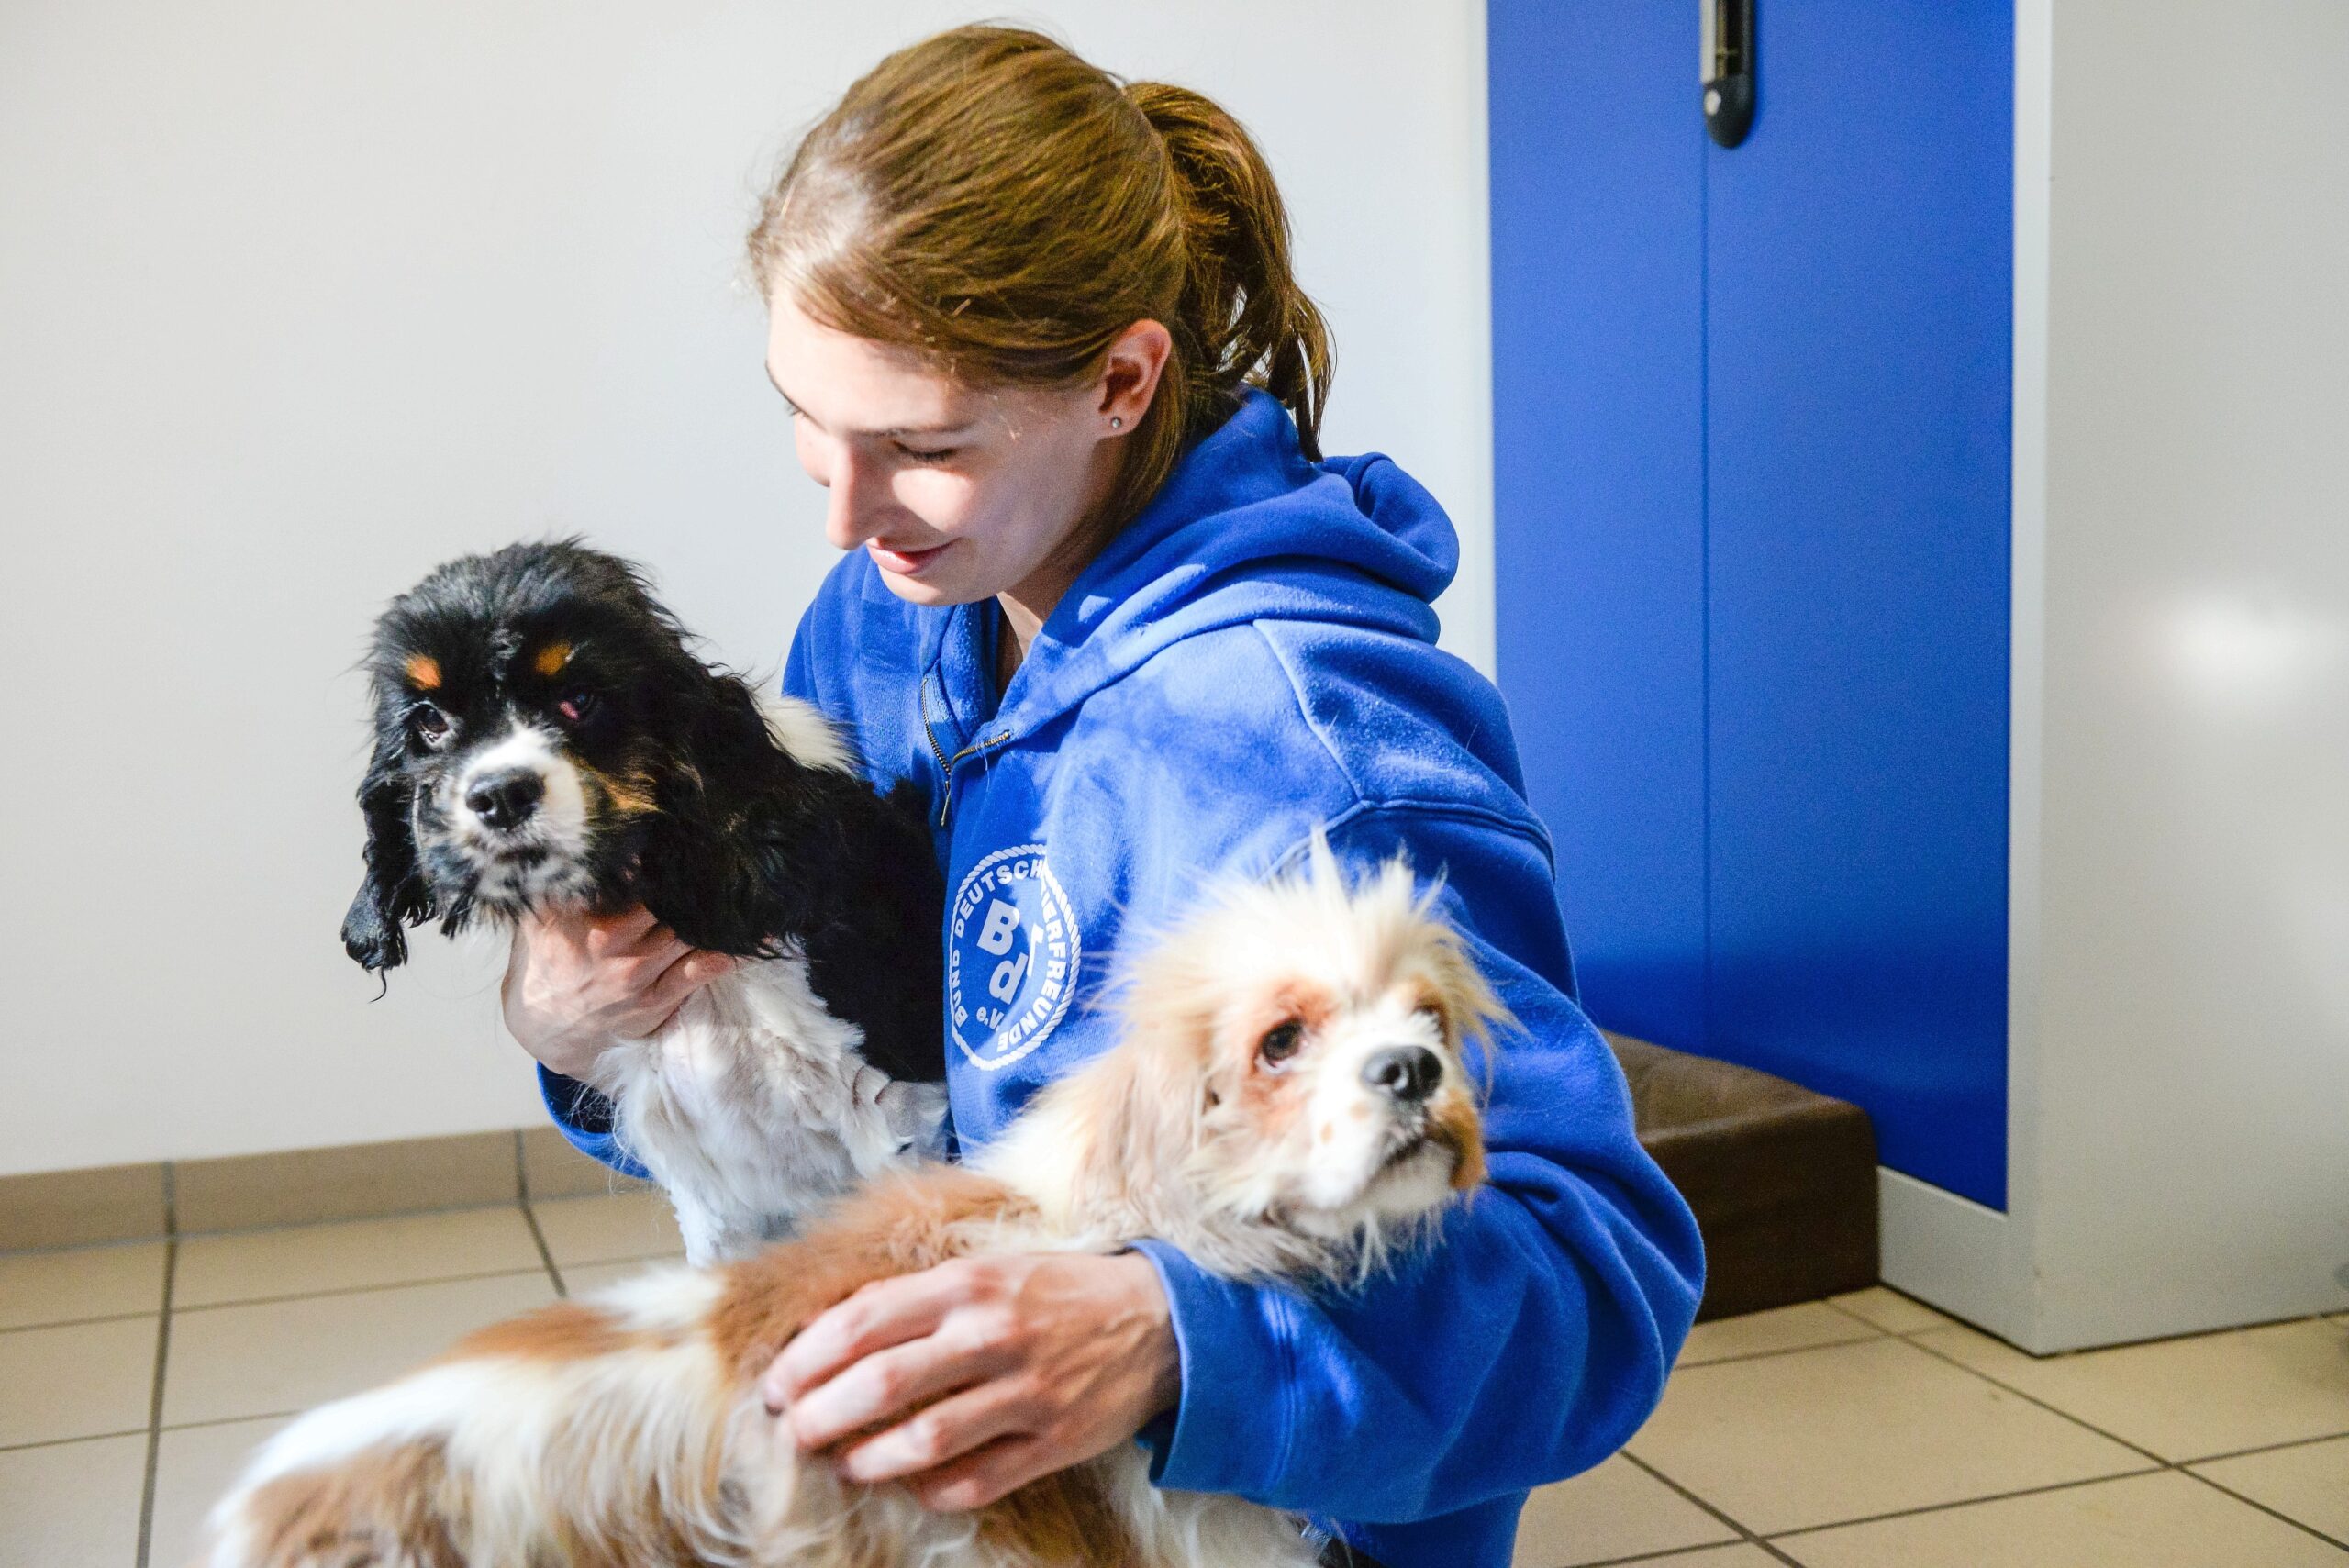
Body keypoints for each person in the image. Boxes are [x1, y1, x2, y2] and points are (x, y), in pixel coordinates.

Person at [504, 26, 1702, 1568]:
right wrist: (591, 1034)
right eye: (808, 422)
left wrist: (1169, 1340)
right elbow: (807, 1086)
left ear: (1123, 382)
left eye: (921, 446)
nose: (847, 512)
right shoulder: (878, 626)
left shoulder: (1305, 743)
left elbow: (1594, 1282)